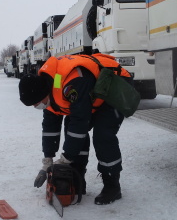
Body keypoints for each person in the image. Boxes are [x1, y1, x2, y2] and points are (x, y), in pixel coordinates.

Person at [18, 53, 132, 205]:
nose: (36, 106)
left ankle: (112, 186)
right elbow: (50, 128)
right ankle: (78, 179)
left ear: (42, 94)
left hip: (116, 84)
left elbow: (80, 123)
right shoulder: (49, 88)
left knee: (103, 135)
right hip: (92, 92)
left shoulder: (71, 84)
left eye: (36, 103)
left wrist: (66, 158)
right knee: (71, 128)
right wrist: (48, 160)